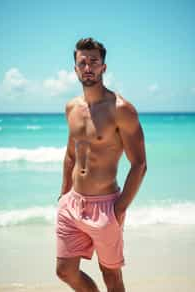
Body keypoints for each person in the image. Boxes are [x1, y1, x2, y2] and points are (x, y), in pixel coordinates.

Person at [56, 37, 147, 292]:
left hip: (106, 206)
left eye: (93, 62)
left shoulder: (122, 109)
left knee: (111, 275)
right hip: (72, 204)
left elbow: (139, 164)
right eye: (82, 63)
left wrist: (119, 208)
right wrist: (63, 194)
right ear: (75, 69)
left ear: (103, 68)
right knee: (64, 271)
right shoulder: (71, 108)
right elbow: (71, 154)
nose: (88, 67)